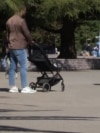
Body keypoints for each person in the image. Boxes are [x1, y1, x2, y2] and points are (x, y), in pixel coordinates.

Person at [6, 6, 36, 93]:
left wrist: (8, 45)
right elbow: (27, 33)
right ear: (21, 11)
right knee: (23, 66)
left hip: (11, 46)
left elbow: (7, 35)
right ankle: (24, 86)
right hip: (20, 46)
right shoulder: (21, 21)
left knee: (12, 66)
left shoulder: (8, 21)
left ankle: (12, 86)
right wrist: (31, 41)